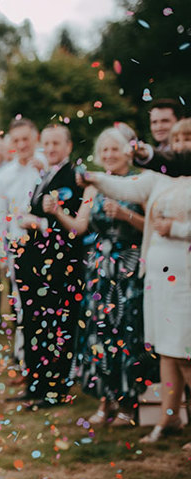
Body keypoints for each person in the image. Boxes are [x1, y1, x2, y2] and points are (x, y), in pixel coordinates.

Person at [78, 122, 191, 443]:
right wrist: (91, 176)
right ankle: (169, 420)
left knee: (186, 354)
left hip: (186, 278)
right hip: (158, 278)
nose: (182, 145)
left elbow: (168, 225)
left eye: (188, 139)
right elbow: (127, 189)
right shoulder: (159, 179)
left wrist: (177, 229)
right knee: (168, 351)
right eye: (177, 139)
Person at [72, 127, 152, 426]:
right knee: (99, 333)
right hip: (99, 271)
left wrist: (124, 214)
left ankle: (129, 405)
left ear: (127, 152)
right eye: (103, 150)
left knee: (126, 334)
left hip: (128, 270)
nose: (108, 155)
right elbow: (80, 227)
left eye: (114, 150)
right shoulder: (93, 186)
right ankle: (105, 401)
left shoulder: (139, 182)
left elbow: (152, 226)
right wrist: (53, 213)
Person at [11, 125, 87, 407]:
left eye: (57, 143)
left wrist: (41, 223)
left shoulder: (75, 177)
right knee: (33, 323)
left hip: (61, 266)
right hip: (34, 264)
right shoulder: (45, 176)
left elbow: (77, 225)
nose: (52, 148)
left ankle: (55, 389)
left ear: (68, 146)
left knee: (59, 326)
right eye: (47, 143)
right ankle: (35, 383)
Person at [0, 118, 45, 378]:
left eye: (25, 139)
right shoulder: (5, 175)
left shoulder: (45, 167)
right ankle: (23, 360)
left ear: (35, 138)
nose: (22, 145)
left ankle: (46, 364)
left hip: (47, 245)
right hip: (17, 248)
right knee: (21, 306)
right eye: (16, 140)